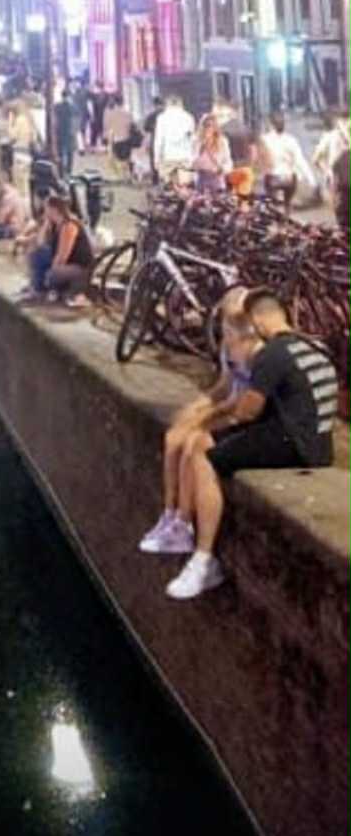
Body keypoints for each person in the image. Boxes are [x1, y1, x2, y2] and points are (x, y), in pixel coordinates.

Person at [165, 288, 339, 599]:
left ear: (258, 320)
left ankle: (204, 559)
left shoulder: (274, 353)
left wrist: (211, 418)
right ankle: (183, 530)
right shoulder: (313, 347)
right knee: (206, 440)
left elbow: (248, 411)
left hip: (293, 444)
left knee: (205, 455)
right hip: (319, 445)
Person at [138, 288, 255, 555]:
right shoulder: (228, 346)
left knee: (193, 441)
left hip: (239, 414)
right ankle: (169, 513)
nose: (228, 329)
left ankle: (184, 522)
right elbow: (224, 386)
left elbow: (245, 401)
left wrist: (206, 416)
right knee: (173, 436)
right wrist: (198, 404)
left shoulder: (254, 352)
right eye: (226, 321)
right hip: (228, 407)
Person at [19, 191, 93, 305]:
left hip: (79, 267)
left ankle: (46, 289)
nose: (44, 211)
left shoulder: (69, 225)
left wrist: (51, 271)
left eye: (46, 208)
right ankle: (36, 289)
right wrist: (46, 223)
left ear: (54, 209)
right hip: (66, 262)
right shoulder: (55, 224)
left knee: (52, 274)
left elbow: (62, 256)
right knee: (37, 254)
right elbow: (40, 242)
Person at [258, 112, 314, 211]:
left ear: (271, 125)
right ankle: (286, 214)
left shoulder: (264, 139)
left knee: (271, 203)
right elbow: (300, 160)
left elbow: (260, 159)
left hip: (272, 178)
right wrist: (311, 179)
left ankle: (274, 213)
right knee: (287, 203)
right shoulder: (291, 140)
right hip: (289, 178)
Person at [312, 113, 351, 212]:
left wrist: (325, 171)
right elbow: (315, 159)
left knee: (338, 205)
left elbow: (315, 159)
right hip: (343, 172)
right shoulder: (338, 136)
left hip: (336, 174)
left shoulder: (327, 137)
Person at [153, 94, 195, 185]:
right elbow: (191, 139)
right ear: (181, 104)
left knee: (170, 187)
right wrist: (193, 157)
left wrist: (156, 159)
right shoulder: (188, 117)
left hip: (168, 157)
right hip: (184, 157)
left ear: (167, 104)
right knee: (184, 187)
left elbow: (159, 141)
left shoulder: (162, 118)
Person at [194, 115, 233, 195]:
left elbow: (228, 161)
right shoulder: (196, 141)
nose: (208, 128)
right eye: (205, 125)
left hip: (216, 178)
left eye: (211, 126)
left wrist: (223, 169)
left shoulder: (222, 141)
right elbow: (192, 162)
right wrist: (202, 147)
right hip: (201, 178)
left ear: (215, 128)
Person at [102, 93, 135, 181]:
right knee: (126, 158)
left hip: (115, 139)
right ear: (123, 102)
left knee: (116, 158)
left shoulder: (110, 113)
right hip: (126, 138)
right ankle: (127, 175)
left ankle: (121, 175)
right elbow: (132, 125)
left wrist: (105, 138)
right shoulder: (127, 113)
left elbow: (106, 127)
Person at [53, 91, 77, 175]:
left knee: (60, 152)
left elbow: (55, 120)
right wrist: (74, 131)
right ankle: (69, 171)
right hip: (69, 132)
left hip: (60, 132)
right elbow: (75, 120)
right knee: (70, 153)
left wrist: (55, 130)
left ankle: (60, 171)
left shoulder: (57, 106)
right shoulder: (73, 107)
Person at [143, 94, 165, 182]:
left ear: (154, 105)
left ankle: (155, 179)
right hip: (165, 140)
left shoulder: (151, 115)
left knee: (154, 159)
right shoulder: (166, 114)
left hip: (154, 139)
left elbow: (146, 128)